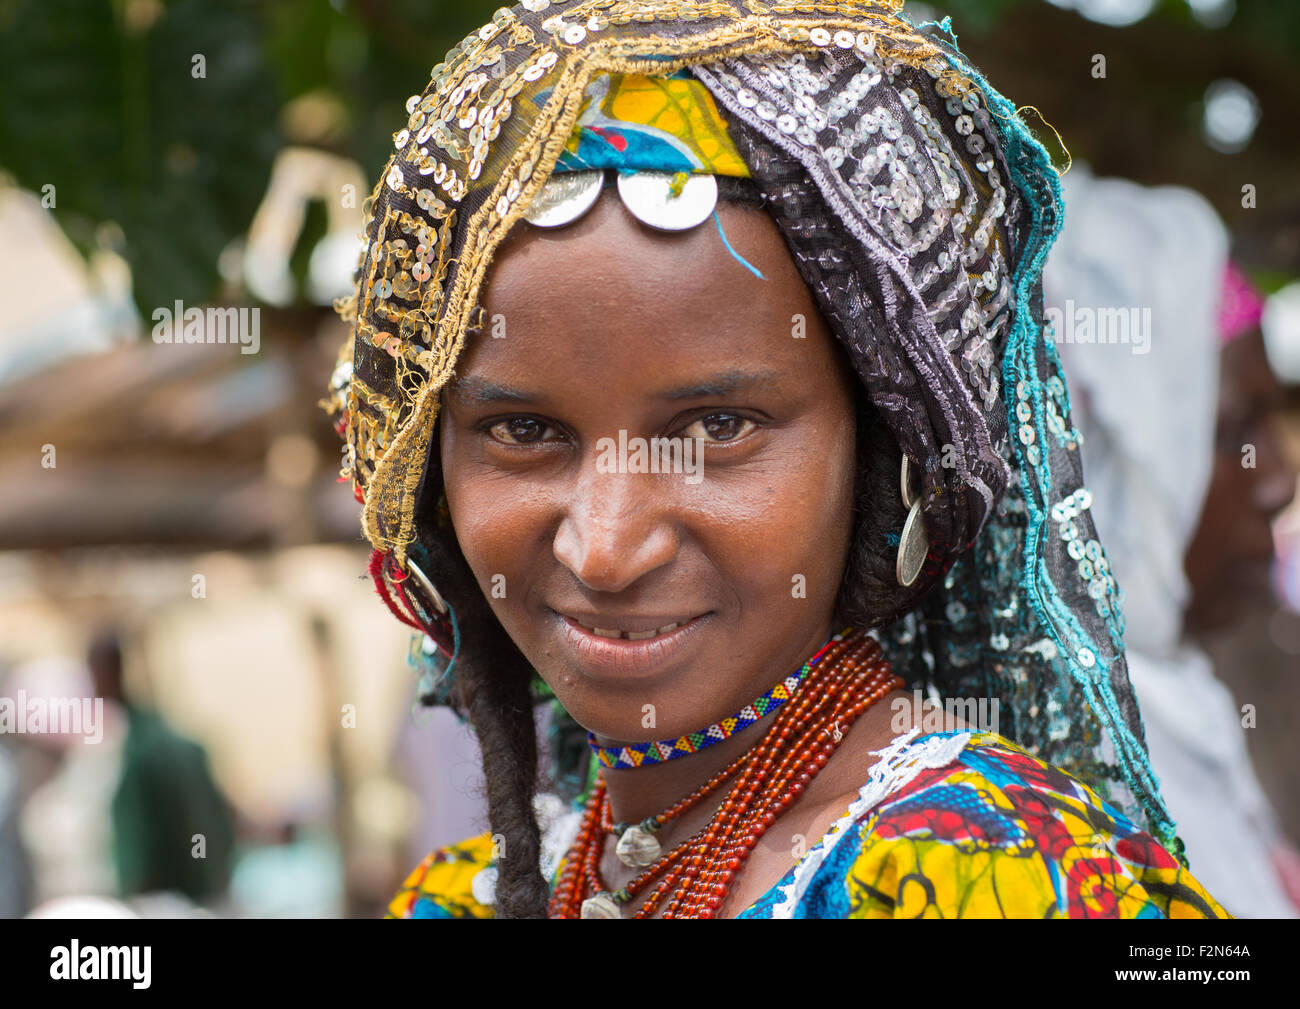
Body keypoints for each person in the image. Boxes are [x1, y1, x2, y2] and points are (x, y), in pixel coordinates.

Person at [323, 1, 1226, 918]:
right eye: (523, 431)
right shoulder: (455, 900)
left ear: (887, 453)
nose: (603, 547)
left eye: (719, 427)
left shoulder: (1002, 883)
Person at [1043, 164, 1300, 917]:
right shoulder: (1068, 812)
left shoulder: (1187, 705)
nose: (1277, 480)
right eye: (1233, 433)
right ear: (1099, 465)